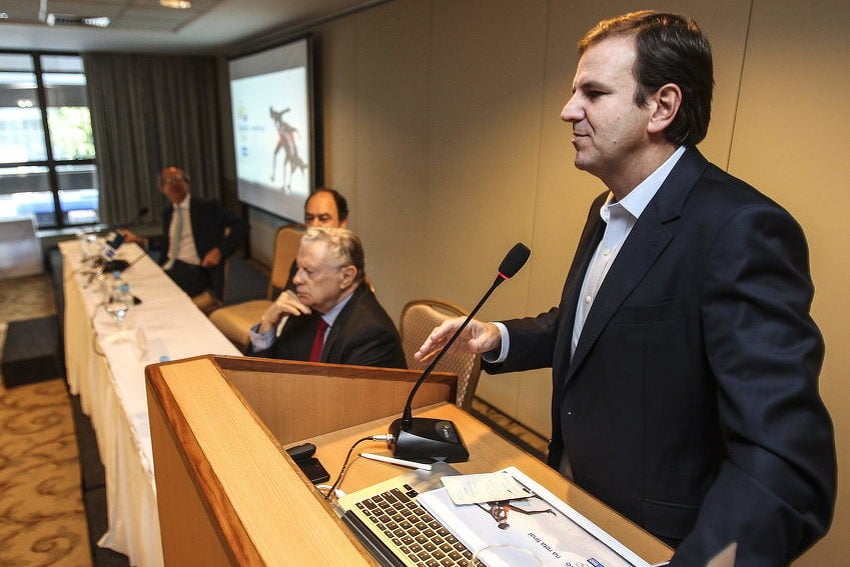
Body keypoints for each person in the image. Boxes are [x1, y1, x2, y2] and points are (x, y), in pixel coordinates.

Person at [415, 11, 835, 565]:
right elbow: (591, 324)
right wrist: (498, 336)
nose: (569, 111)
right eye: (573, 92)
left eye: (592, 92)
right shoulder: (607, 206)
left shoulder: (742, 230)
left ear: (661, 107)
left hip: (656, 539)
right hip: (573, 503)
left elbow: (783, 465)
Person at [248, 226, 405, 369]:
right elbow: (274, 371)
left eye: (309, 271)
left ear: (346, 277)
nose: (296, 279)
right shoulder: (309, 305)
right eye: (298, 268)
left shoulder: (372, 335)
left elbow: (345, 399)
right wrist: (267, 325)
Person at [121, 166, 248, 305]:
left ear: (187, 183)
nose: (174, 184)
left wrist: (219, 251)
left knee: (152, 293)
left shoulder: (207, 207)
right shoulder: (168, 213)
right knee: (134, 283)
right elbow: (169, 242)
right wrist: (139, 239)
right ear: (162, 189)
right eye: (169, 181)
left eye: (178, 179)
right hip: (170, 266)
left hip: (196, 271)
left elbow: (242, 226)